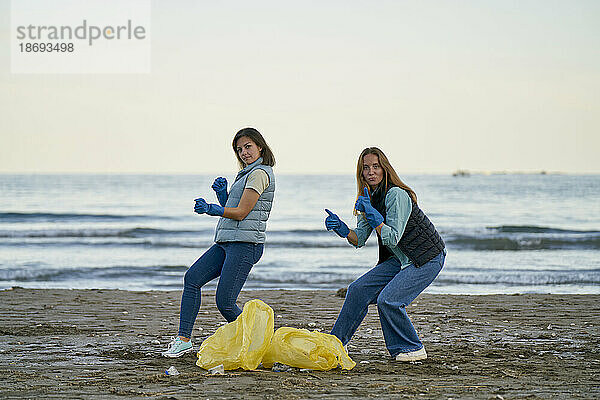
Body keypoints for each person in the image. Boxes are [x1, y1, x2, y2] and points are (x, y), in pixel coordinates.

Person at [162, 127, 276, 357]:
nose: (244, 152)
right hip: (227, 241)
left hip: (245, 245)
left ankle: (261, 341)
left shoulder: (260, 174)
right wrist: (223, 195)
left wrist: (212, 209)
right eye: (239, 149)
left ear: (259, 146)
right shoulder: (245, 174)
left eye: (248, 147)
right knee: (192, 278)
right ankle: (183, 339)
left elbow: (242, 213)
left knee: (224, 301)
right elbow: (233, 210)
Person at [324, 147, 446, 361]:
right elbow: (359, 239)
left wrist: (376, 219)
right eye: (365, 168)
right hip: (400, 259)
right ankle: (335, 344)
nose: (371, 172)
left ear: (385, 169)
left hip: (425, 257)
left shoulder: (396, 194)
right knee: (357, 290)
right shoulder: (367, 197)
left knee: (388, 300)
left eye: (376, 166)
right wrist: (342, 229)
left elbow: (392, 238)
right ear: (360, 173)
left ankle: (411, 348)